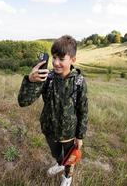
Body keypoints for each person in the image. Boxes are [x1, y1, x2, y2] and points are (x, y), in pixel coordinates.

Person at [18, 35, 88, 186]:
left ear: (72, 60)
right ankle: (59, 163)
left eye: (61, 59)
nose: (56, 63)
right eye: (54, 57)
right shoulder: (47, 78)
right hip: (49, 130)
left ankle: (67, 177)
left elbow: (83, 110)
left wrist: (80, 136)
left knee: (70, 159)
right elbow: (23, 102)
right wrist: (30, 81)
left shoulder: (79, 82)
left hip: (69, 134)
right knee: (57, 154)